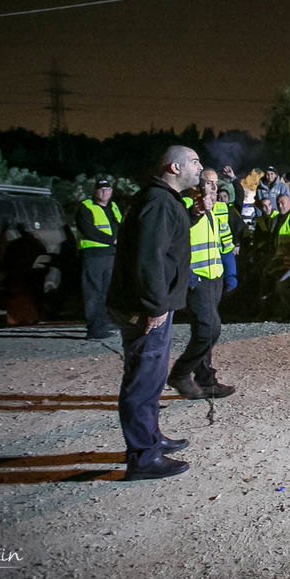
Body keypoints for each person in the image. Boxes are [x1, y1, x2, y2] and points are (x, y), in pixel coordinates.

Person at [105, 145, 202, 482]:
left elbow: (166, 240)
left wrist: (194, 215)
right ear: (174, 168)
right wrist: (155, 306)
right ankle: (143, 457)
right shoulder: (159, 201)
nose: (200, 167)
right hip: (145, 307)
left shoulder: (161, 200)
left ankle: (150, 439)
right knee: (143, 381)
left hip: (150, 304)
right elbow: (149, 259)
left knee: (152, 377)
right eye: (194, 161)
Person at [168, 180, 236, 400]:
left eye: (215, 185)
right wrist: (188, 276)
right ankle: (181, 373)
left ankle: (206, 381)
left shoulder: (216, 210)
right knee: (208, 329)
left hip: (214, 276)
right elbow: (175, 238)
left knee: (206, 330)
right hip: (198, 277)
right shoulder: (187, 205)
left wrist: (229, 272)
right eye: (208, 183)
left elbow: (223, 243)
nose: (213, 188)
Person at [75, 179, 122, 340]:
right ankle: (94, 328)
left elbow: (120, 226)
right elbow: (88, 230)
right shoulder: (86, 207)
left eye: (107, 189)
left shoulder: (113, 206)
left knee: (106, 291)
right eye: (101, 189)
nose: (105, 192)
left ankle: (104, 322)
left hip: (110, 254)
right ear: (95, 191)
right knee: (93, 292)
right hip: (93, 254)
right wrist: (112, 240)